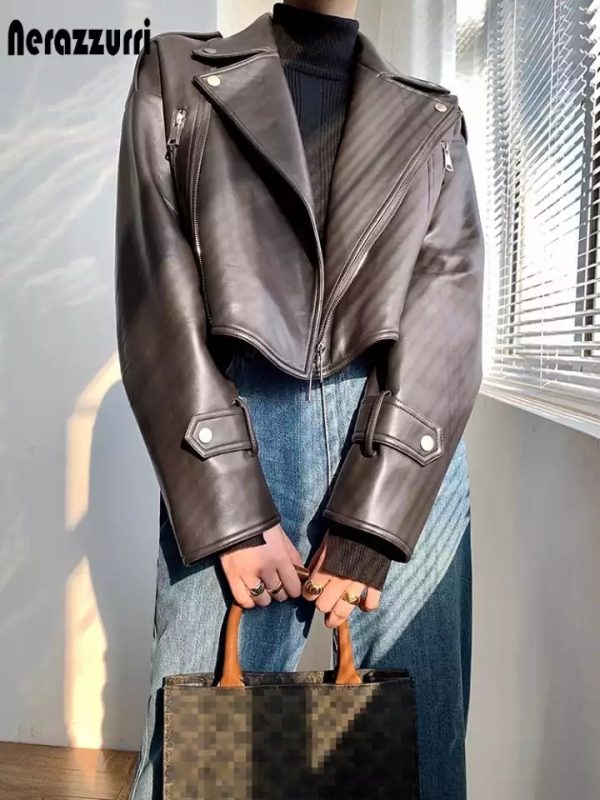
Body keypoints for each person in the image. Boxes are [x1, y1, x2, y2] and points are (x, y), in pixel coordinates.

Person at [114, 2, 484, 798]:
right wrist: (233, 511)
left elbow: (448, 317)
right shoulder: (178, 78)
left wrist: (371, 529)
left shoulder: (433, 120)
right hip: (230, 428)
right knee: (198, 758)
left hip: (401, 440)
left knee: (420, 760)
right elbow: (156, 300)